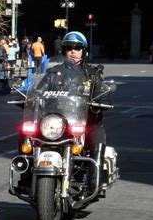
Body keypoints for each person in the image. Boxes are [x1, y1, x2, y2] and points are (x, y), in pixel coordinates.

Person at [37, 31, 109, 193]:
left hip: (83, 121)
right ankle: (25, 173)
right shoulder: (54, 73)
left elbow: (102, 92)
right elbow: (38, 91)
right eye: (68, 48)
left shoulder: (93, 74)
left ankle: (94, 179)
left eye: (77, 48)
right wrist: (27, 99)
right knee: (26, 131)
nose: (72, 51)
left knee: (98, 133)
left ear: (84, 51)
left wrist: (102, 101)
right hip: (56, 122)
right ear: (63, 51)